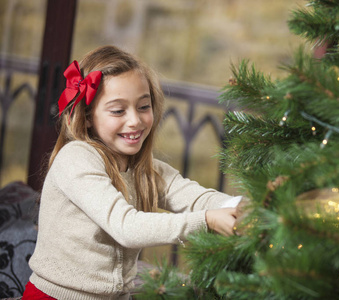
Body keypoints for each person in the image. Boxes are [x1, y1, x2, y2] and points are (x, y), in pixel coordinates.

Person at [23, 45, 241, 300]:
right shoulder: (76, 159)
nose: (135, 121)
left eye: (143, 106)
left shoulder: (143, 169)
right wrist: (207, 220)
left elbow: (194, 197)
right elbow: (126, 226)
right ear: (88, 115)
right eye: (118, 110)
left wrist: (240, 207)